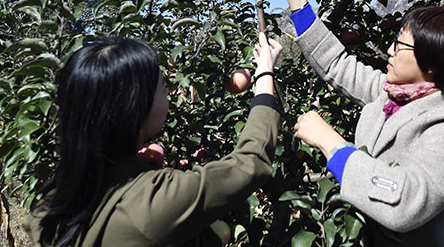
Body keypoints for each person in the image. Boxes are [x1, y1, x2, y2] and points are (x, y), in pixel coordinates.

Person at [263, 0, 444, 247]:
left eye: (401, 46)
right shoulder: (399, 95)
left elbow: (407, 203)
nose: (391, 51)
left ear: (432, 65)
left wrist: (332, 144)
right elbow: (336, 65)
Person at [24, 33, 282, 246]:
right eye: (162, 87)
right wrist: (265, 76)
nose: (169, 92)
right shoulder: (153, 201)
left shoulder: (49, 206)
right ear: (136, 107)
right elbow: (250, 163)